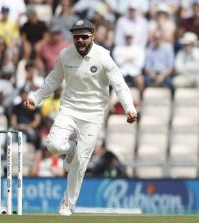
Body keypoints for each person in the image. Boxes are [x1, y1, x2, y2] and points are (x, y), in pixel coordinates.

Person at [23, 19, 137, 216]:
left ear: (92, 36)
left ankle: (67, 205)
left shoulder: (103, 57)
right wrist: (36, 98)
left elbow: (119, 84)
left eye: (84, 36)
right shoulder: (66, 55)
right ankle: (72, 148)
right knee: (53, 145)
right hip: (69, 108)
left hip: (94, 114)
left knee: (81, 162)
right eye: (77, 36)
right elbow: (53, 79)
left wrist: (129, 108)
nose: (81, 40)